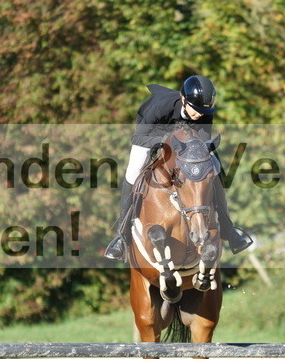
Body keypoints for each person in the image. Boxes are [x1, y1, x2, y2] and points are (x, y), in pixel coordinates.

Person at [103, 75, 254, 261]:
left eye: (202, 111)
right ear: (184, 99)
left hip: (185, 140)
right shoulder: (161, 106)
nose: (199, 114)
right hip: (153, 135)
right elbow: (138, 138)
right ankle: (122, 237)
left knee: (214, 167)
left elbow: (202, 141)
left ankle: (229, 230)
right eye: (195, 109)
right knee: (133, 172)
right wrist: (164, 142)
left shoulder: (205, 111)